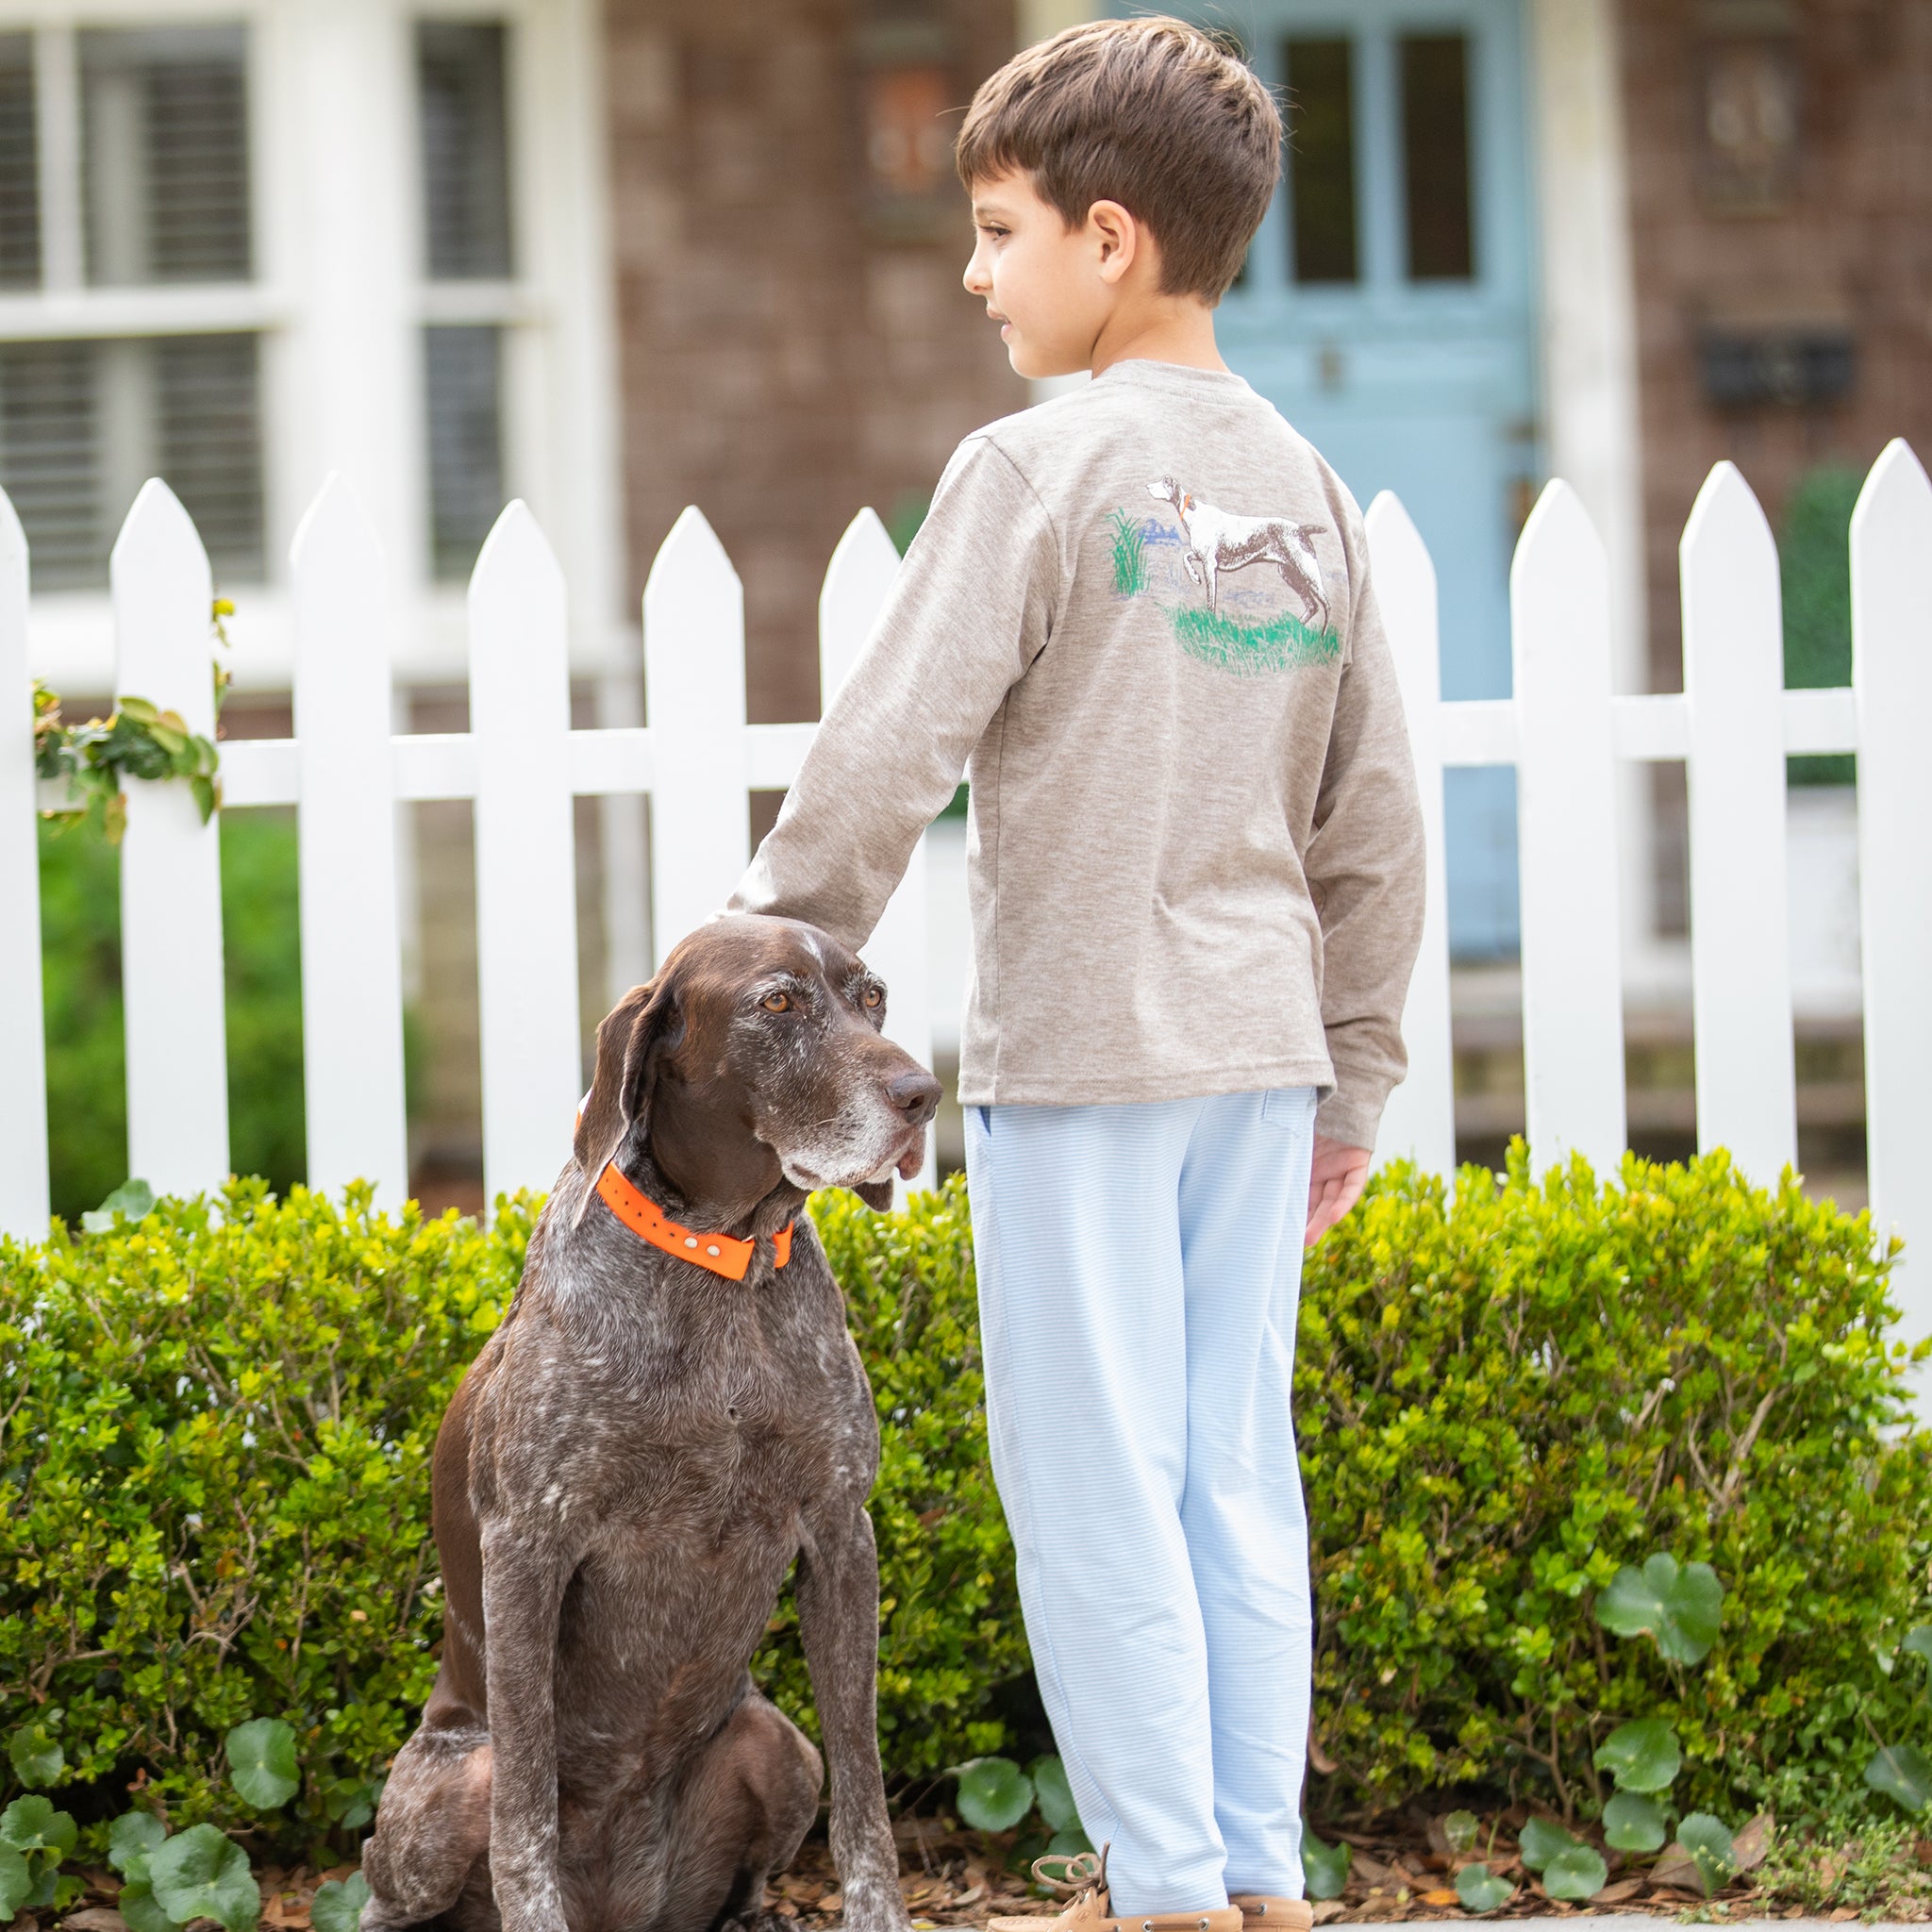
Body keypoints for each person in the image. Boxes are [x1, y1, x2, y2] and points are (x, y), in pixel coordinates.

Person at [729, 19, 1424, 1932]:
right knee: (1230, 1471)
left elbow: (884, 754)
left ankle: (1165, 1887)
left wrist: (765, 959)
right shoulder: (1303, 486)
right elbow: (1374, 831)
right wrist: (1351, 1082)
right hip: (1259, 1056)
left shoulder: (1035, 470)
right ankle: (1258, 1875)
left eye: (998, 228)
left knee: (1093, 1469)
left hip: (1087, 1054)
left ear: (1108, 239)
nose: (974, 272)